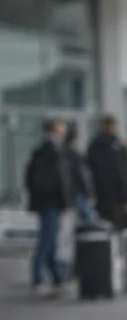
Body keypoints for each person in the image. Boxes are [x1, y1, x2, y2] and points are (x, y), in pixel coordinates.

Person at [24, 119, 73, 295]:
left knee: (51, 242)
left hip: (49, 203)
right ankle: (37, 279)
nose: (63, 133)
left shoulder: (46, 152)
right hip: (50, 203)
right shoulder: (50, 153)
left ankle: (57, 279)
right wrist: (64, 201)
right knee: (47, 241)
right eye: (60, 130)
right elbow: (58, 180)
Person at [87, 115, 127, 229]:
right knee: (119, 229)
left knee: (103, 228)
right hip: (116, 197)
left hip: (99, 195)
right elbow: (122, 174)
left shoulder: (93, 146)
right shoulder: (117, 147)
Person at [64, 126, 96, 222]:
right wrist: (89, 192)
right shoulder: (75, 155)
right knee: (87, 215)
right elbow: (82, 174)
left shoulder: (61, 153)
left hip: (67, 191)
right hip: (77, 190)